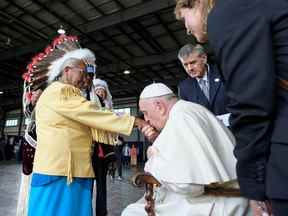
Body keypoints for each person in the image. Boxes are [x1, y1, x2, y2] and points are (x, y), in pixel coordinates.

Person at [175, 0, 288, 214]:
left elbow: (251, 106)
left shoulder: (229, 11)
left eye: (184, 18)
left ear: (197, 3)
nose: (187, 29)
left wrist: (253, 187)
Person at [25, 34, 148, 216]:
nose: (86, 79)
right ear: (67, 70)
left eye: (89, 75)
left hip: (72, 171)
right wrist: (135, 121)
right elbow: (93, 113)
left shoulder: (67, 92)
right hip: (60, 173)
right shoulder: (62, 92)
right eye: (83, 73)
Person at [122, 83, 250, 216]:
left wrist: (154, 158)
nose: (146, 119)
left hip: (216, 200)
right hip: (233, 192)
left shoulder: (180, 119)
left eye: (145, 113)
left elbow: (187, 185)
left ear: (159, 107)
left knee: (132, 212)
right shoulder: (193, 109)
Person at [178, 44, 230, 124]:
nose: (189, 68)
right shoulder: (184, 87)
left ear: (204, 58)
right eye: (185, 65)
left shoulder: (224, 72)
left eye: (193, 62)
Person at [90, 78, 117, 216]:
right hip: (88, 152)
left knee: (101, 186)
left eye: (102, 91)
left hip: (103, 154)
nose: (100, 93)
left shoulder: (109, 111)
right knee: (86, 186)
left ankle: (102, 212)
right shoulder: (88, 107)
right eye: (98, 91)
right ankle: (84, 211)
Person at [16, 88, 43, 216]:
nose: (37, 98)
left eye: (39, 95)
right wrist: (32, 102)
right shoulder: (30, 111)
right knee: (27, 178)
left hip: (44, 146)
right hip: (30, 145)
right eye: (35, 95)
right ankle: (24, 210)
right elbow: (28, 112)